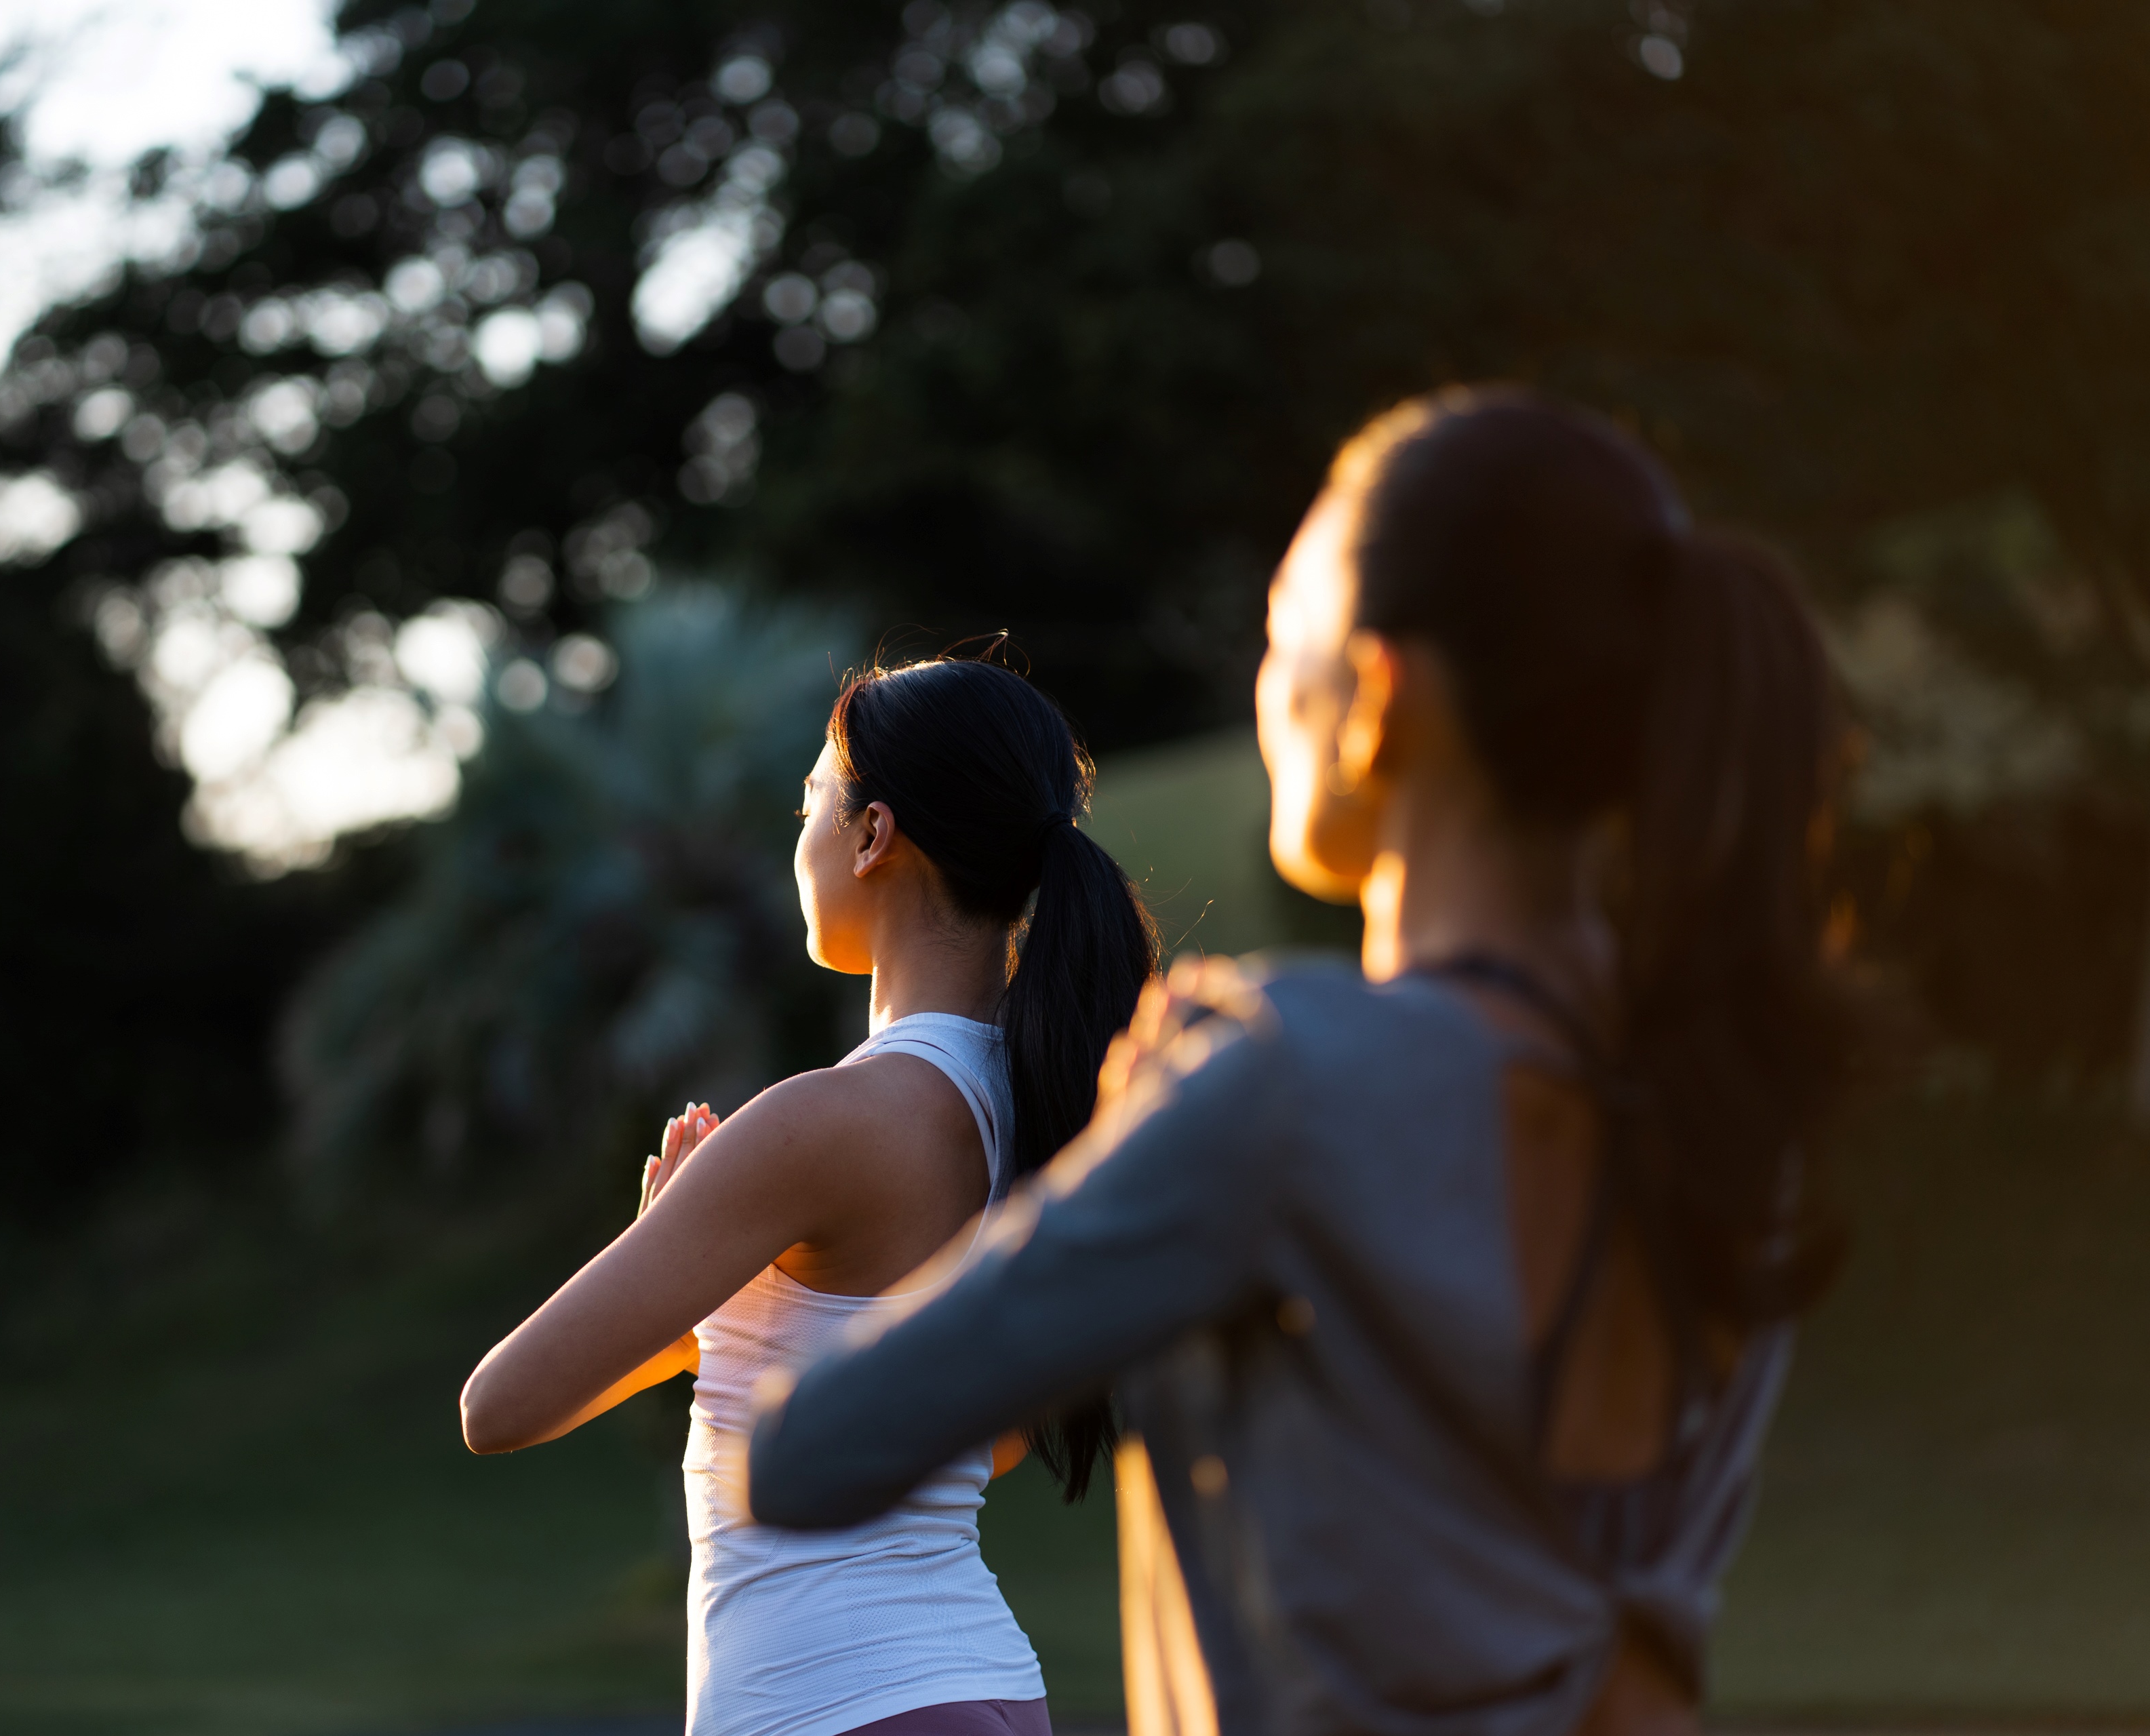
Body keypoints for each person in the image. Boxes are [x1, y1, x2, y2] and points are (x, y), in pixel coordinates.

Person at [747, 389, 1861, 1736]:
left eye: (1282, 639)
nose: (1264, 687)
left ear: (1379, 698)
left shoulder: (1285, 1077)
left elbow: (808, 1450)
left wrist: (1141, 1136)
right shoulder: (1730, 1111)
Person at [460, 654, 1160, 1736]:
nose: (800, 840)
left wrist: (681, 1255)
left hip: (836, 1701)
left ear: (873, 836)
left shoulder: (819, 1124)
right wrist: (722, 1305)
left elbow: (501, 1405)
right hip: (987, 1689)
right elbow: (996, 1440)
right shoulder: (1034, 1114)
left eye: (811, 804)